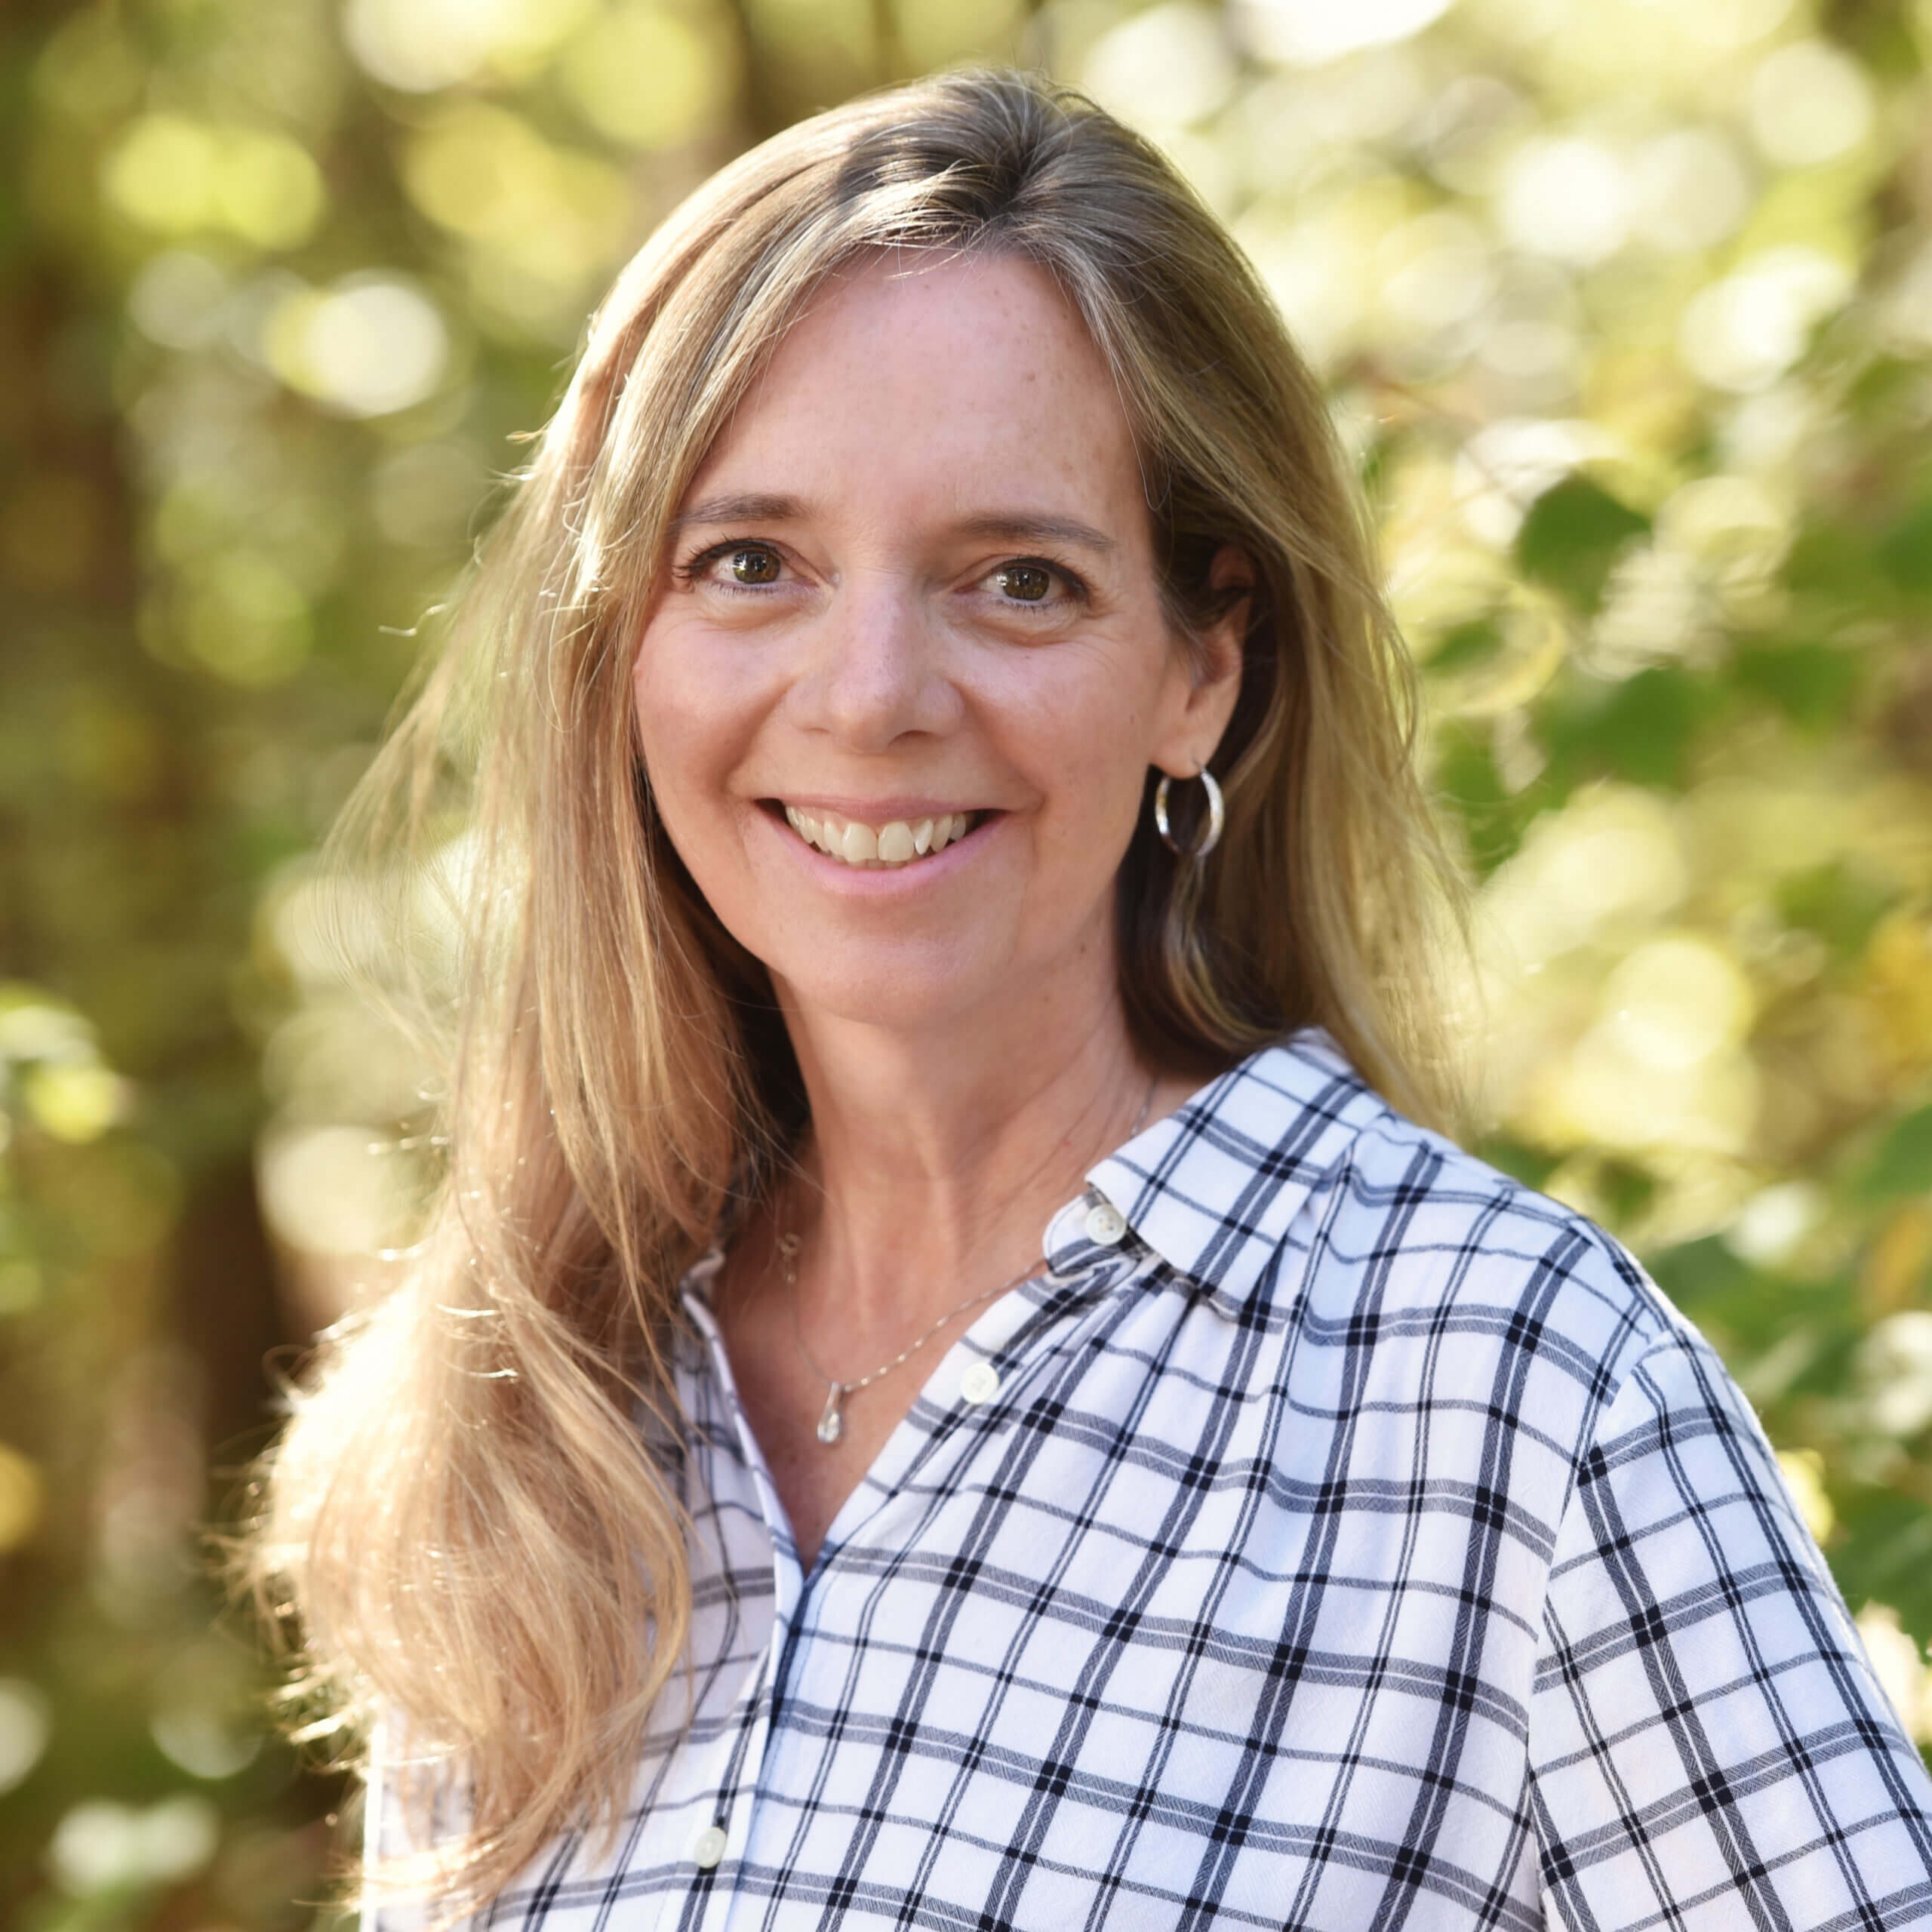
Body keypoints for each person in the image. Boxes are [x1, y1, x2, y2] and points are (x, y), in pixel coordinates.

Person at [245, 69, 1932, 1930]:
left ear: (1200, 669)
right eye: (751, 563)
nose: (869, 691)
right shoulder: (539, 1407)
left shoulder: (1502, 1388)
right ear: (619, 640)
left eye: (1017, 579)